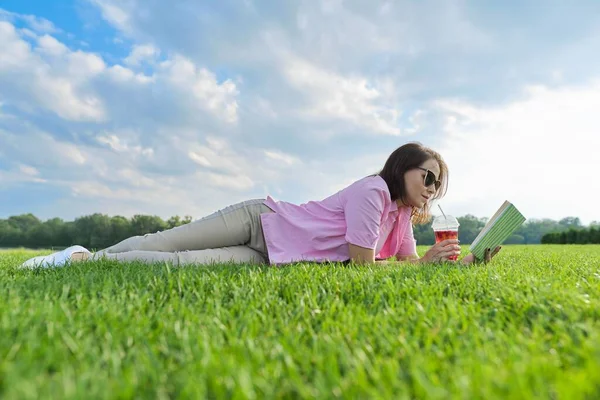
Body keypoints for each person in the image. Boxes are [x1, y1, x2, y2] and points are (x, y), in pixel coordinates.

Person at [20, 142, 501, 269]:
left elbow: (404, 262)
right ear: (403, 167)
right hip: (260, 219)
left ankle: (84, 259)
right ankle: (77, 256)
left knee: (178, 265)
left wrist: (448, 261)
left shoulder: (400, 214)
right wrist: (415, 269)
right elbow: (362, 265)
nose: (433, 188)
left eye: (439, 185)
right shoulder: (375, 191)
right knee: (161, 242)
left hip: (271, 254)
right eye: (428, 177)